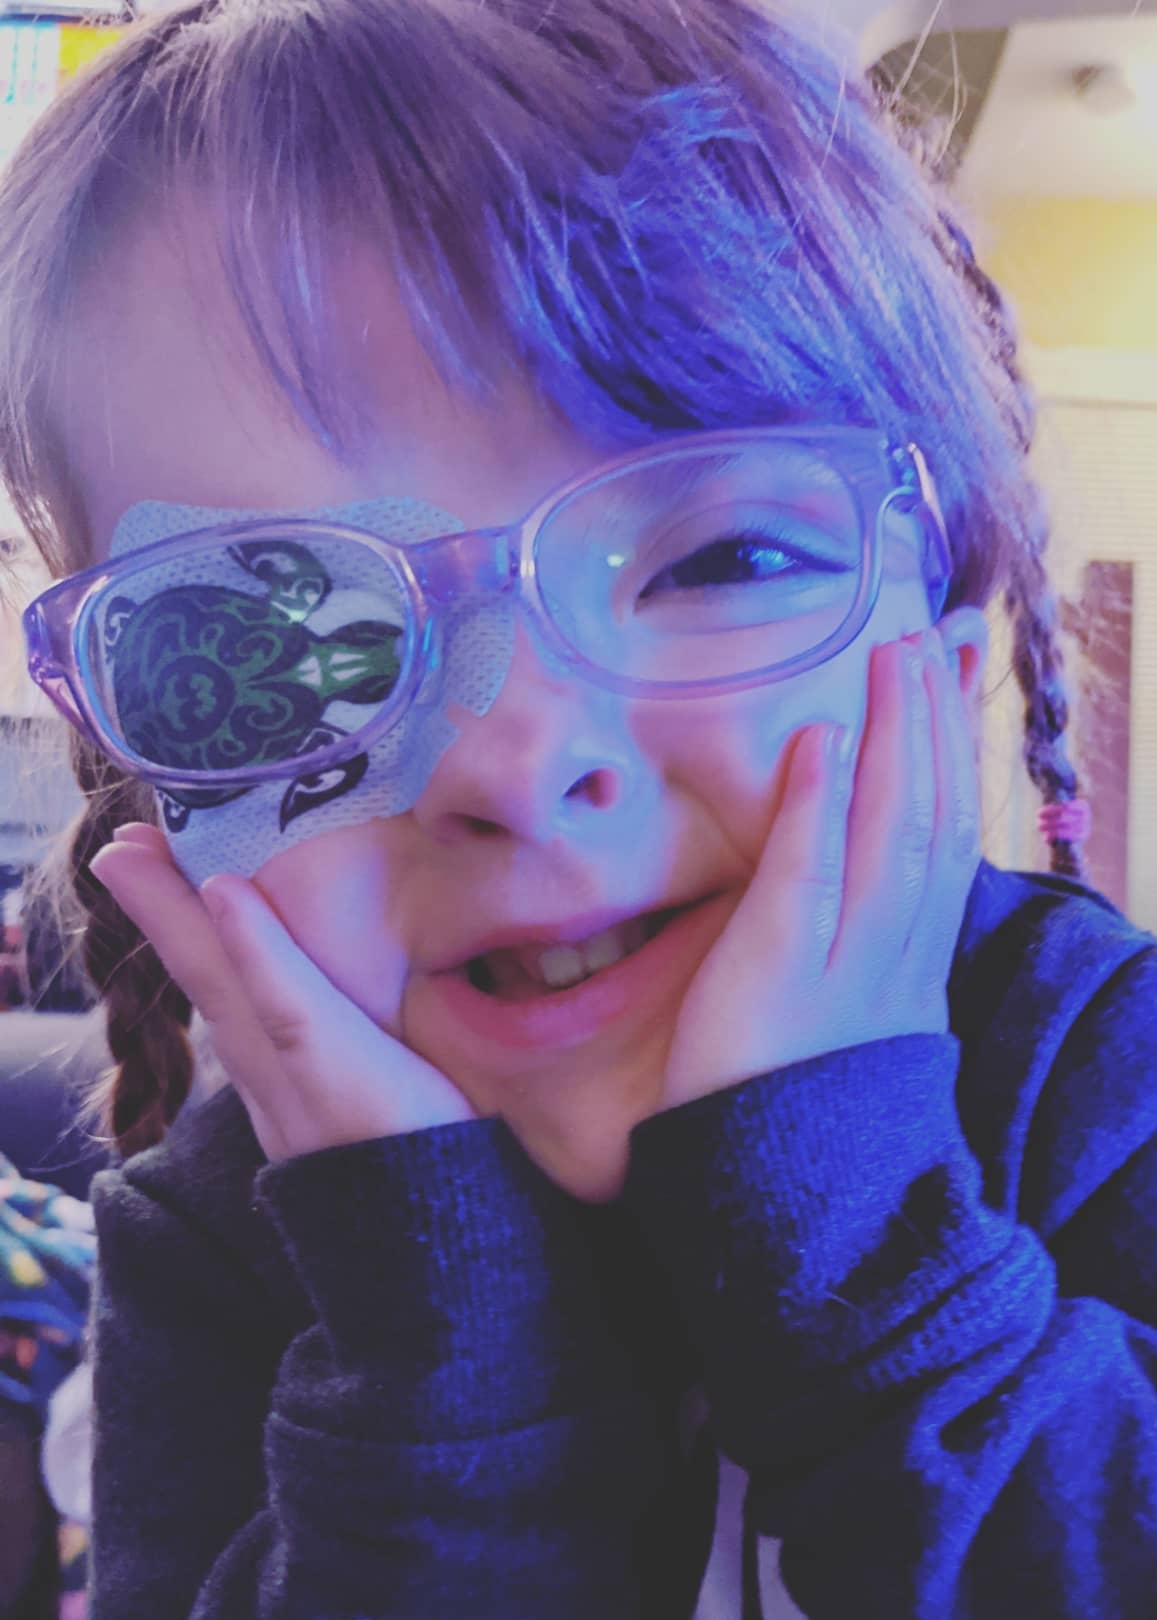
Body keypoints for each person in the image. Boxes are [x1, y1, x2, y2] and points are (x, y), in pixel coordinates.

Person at [0, 2, 1154, 1616]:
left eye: (719, 559)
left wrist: (869, 1263)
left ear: (948, 659)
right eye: (269, 641)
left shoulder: (1104, 1072)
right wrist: (436, 1362)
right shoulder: (218, 1232)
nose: (511, 765)